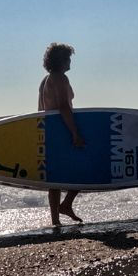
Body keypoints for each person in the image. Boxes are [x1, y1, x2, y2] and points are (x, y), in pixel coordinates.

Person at [39, 42, 85, 226]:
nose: (70, 62)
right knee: (81, 170)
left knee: (55, 178)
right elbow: (64, 107)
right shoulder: (60, 78)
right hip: (62, 130)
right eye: (68, 58)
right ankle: (66, 205)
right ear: (61, 60)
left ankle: (55, 220)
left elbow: (41, 110)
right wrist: (75, 133)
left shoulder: (45, 80)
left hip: (50, 131)